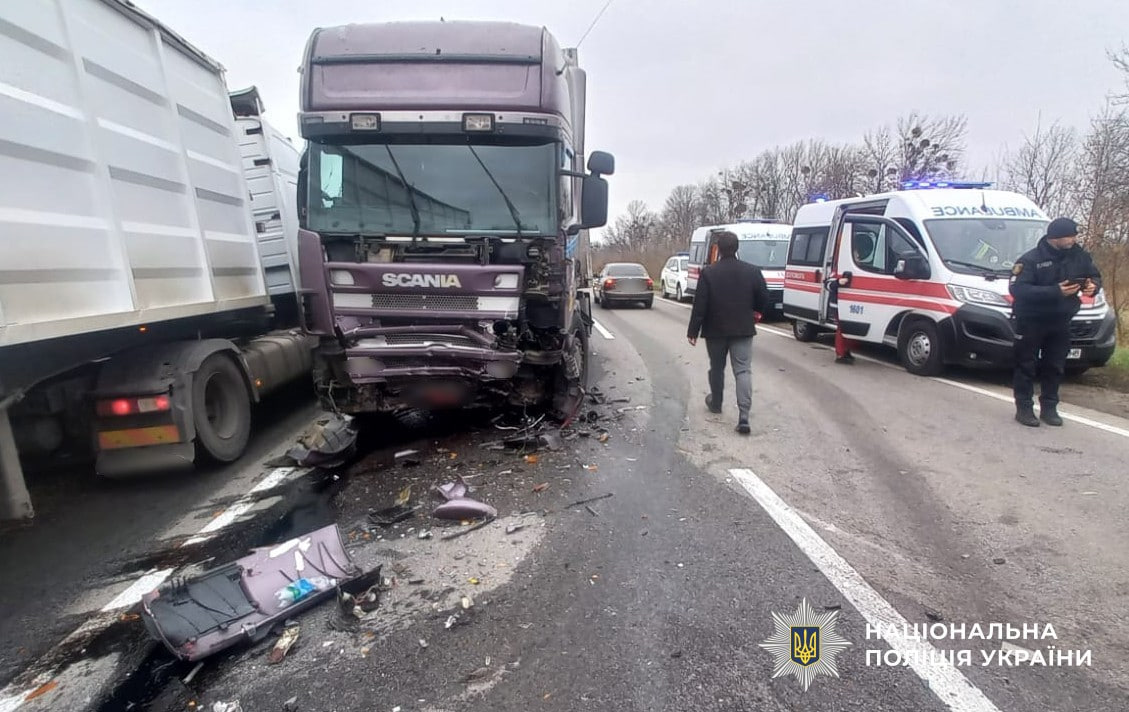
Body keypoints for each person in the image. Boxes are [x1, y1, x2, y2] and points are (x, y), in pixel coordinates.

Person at [1009, 217, 1102, 427]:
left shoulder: (1080, 256)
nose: (1073, 239)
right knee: (1026, 365)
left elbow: (1095, 276)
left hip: (1061, 320)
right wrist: (1055, 291)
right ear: (1056, 237)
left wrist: (1092, 286)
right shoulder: (1031, 260)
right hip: (1031, 319)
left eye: (1075, 235)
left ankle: (1049, 408)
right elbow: (1018, 289)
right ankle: (1024, 408)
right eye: (1070, 236)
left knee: (1055, 365)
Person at [687, 230, 770, 434]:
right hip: (743, 327)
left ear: (718, 249)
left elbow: (700, 304)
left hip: (715, 330)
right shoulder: (752, 271)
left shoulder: (709, 273)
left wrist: (693, 330)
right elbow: (764, 297)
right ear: (737, 248)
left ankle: (716, 402)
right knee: (742, 370)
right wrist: (757, 313)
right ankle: (743, 416)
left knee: (717, 367)